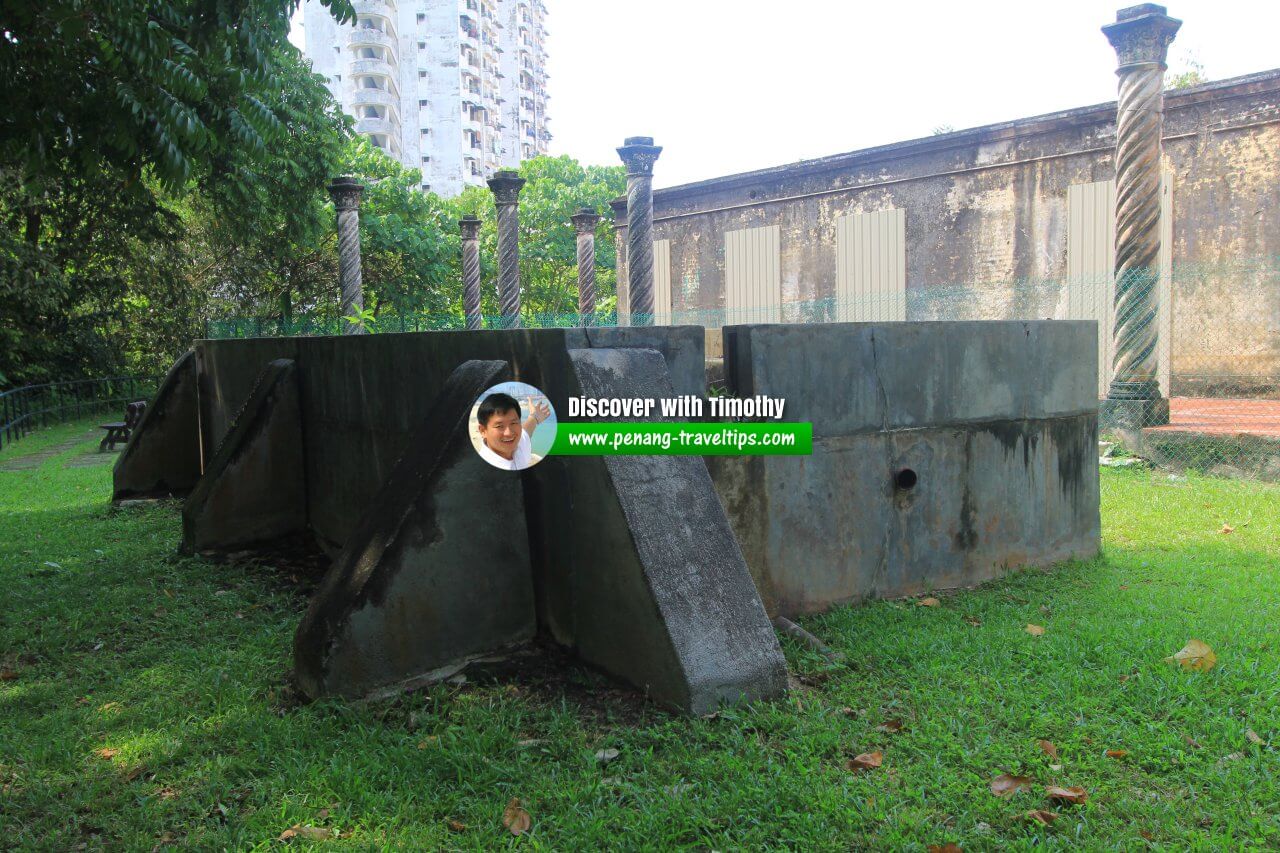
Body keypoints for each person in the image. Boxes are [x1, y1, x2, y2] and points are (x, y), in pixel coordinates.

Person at [475, 392, 551, 470]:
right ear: (483, 431)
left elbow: (526, 430)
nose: (509, 433)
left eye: (513, 423)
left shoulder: (519, 445)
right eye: (499, 426)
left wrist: (534, 417)